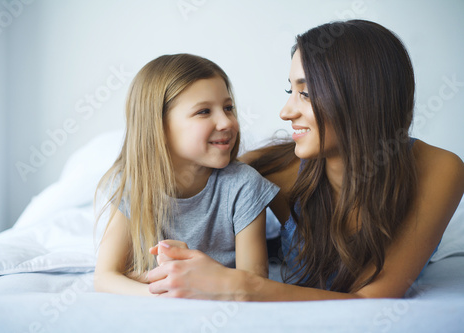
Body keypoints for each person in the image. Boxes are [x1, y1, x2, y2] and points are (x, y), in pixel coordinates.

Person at [146, 20, 464, 301]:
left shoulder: (439, 169)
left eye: (306, 94)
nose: (286, 112)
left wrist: (240, 287)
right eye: (290, 90)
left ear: (361, 97)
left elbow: (373, 299)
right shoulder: (268, 172)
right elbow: (190, 192)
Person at [93, 54, 280, 296]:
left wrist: (191, 278)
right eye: (204, 111)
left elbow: (255, 284)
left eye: (228, 108)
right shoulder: (132, 184)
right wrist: (163, 294)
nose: (226, 122)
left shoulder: (243, 185)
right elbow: (105, 278)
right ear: (158, 126)